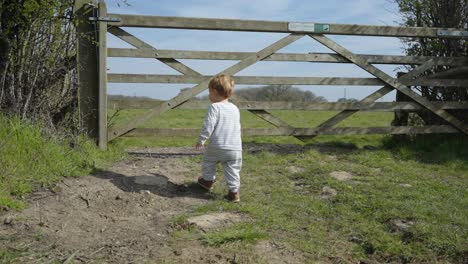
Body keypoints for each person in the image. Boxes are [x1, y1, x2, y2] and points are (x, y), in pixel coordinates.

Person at [195, 75, 242, 202]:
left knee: (208, 161)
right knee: (233, 169)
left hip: (217, 145)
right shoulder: (235, 108)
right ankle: (234, 192)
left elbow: (208, 125)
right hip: (235, 148)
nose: (209, 95)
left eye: (209, 92)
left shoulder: (214, 107)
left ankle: (207, 181)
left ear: (215, 91)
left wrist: (202, 140)